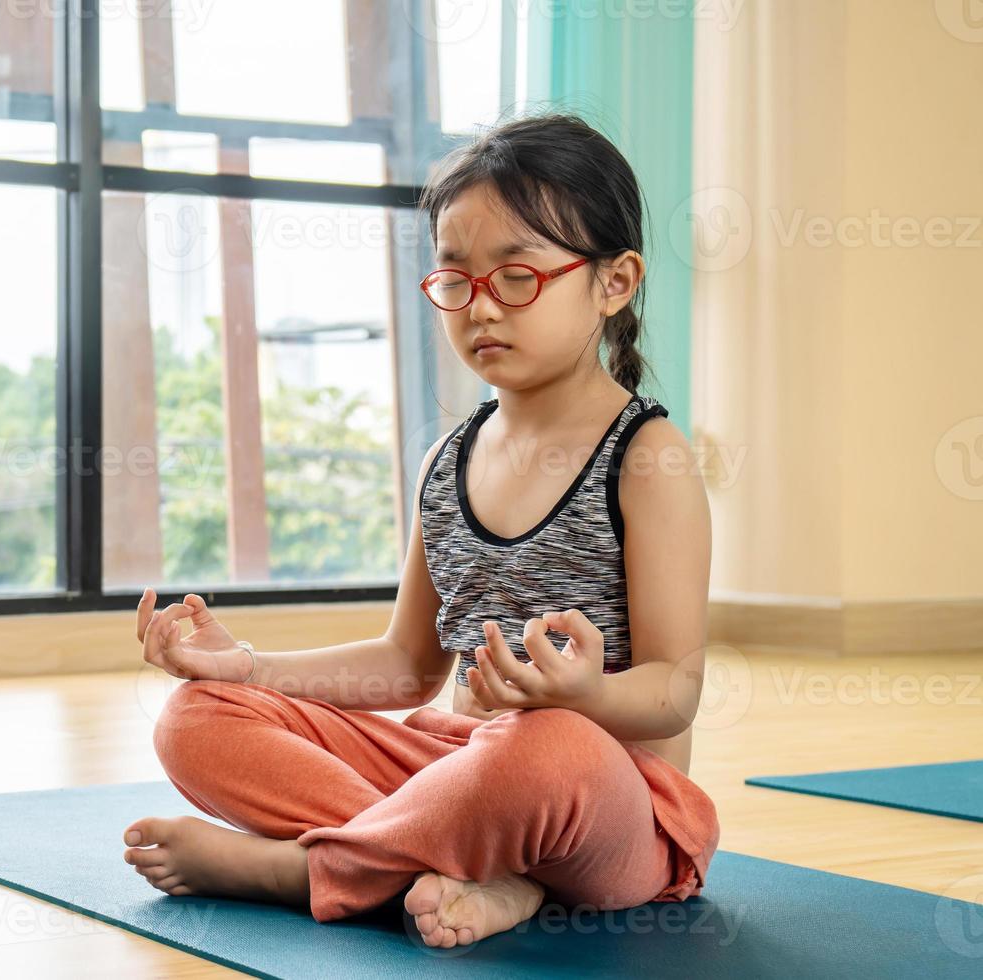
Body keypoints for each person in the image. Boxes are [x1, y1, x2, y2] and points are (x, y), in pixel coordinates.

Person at [121, 112, 721, 950]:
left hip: (605, 799)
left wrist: (582, 697)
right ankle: (467, 872)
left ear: (614, 283)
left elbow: (674, 692)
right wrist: (248, 668)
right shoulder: (448, 460)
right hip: (453, 771)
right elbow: (406, 668)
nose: (482, 309)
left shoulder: (648, 459)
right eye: (456, 280)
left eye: (517, 277)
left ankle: (303, 869)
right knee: (196, 715)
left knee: (544, 749)